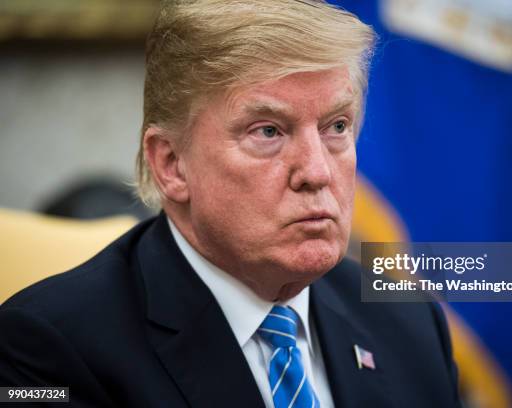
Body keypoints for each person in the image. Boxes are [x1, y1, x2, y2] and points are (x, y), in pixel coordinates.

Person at [0, 1, 460, 406]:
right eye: (268, 131)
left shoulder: (408, 321)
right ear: (172, 164)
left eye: (336, 127)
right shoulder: (47, 350)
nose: (317, 172)